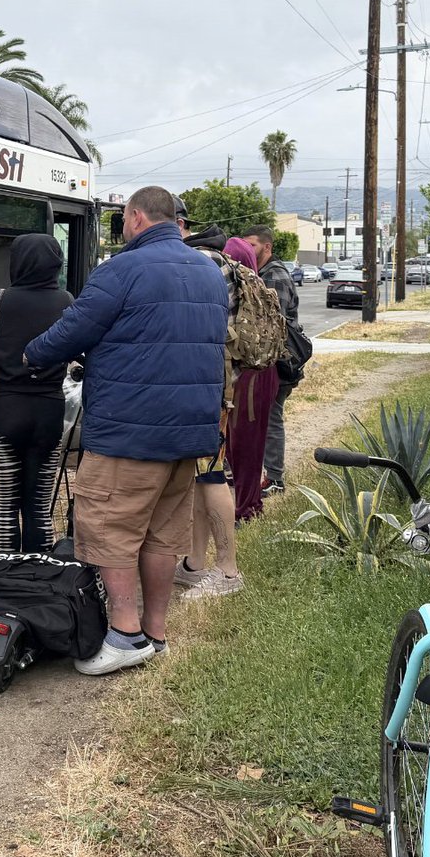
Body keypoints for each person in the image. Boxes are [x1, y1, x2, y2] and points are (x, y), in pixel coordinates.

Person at [24, 186, 230, 675]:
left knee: (112, 530)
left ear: (135, 217)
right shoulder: (210, 271)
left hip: (129, 433)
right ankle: (155, 633)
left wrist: (30, 356)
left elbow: (69, 333)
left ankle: (124, 634)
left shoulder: (120, 271)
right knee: (162, 534)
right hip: (189, 434)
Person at [0, 233, 73, 553]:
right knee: (39, 511)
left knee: (4, 513)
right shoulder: (67, 302)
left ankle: (4, 578)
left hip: (3, 415)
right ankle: (38, 579)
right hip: (49, 414)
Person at [170, 199, 245, 598]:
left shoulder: (200, 261)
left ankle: (228, 571)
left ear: (181, 225)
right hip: (216, 381)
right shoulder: (216, 257)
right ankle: (196, 564)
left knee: (212, 474)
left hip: (208, 385)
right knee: (201, 474)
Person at [221, 237, 280, 522]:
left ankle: (248, 509)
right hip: (262, 373)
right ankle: (247, 505)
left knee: (242, 447)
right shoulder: (258, 287)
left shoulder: (238, 289)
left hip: (247, 378)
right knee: (243, 446)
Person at [242, 224, 300, 495]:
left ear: (267, 247)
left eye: (252, 245)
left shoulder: (274, 276)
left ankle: (275, 478)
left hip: (277, 362)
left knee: (271, 417)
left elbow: (276, 324)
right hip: (269, 361)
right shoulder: (261, 274)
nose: (247, 250)